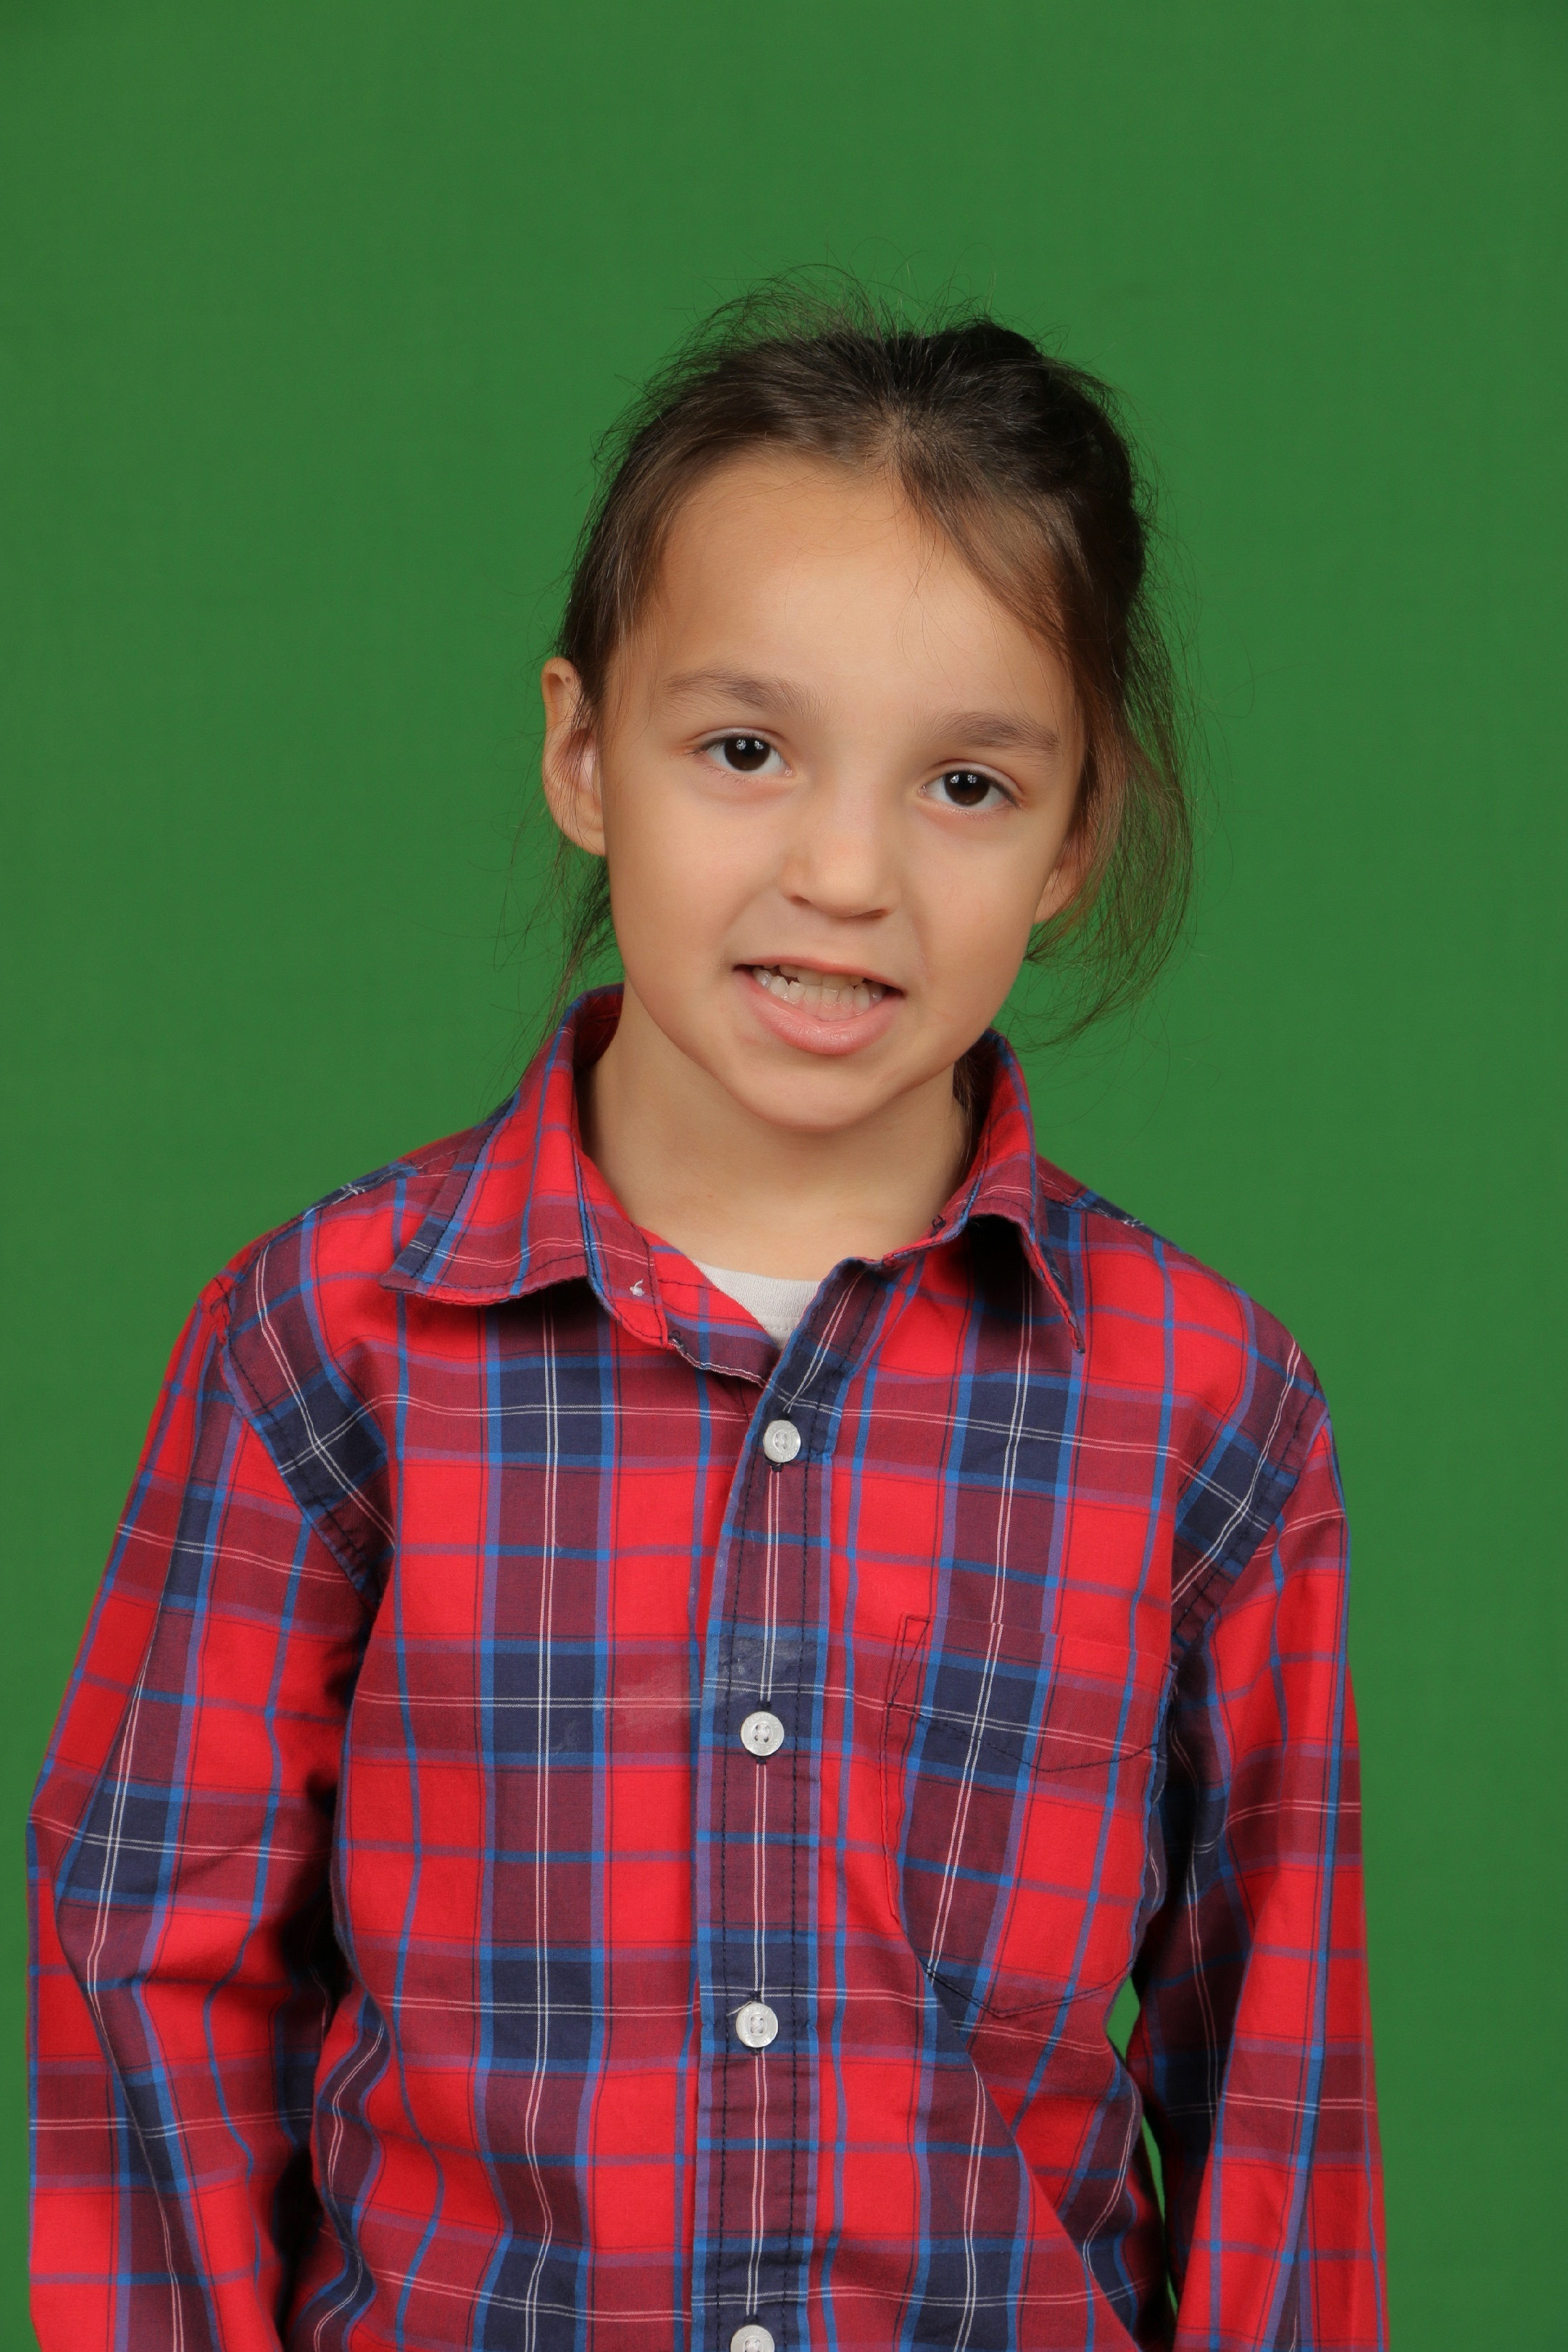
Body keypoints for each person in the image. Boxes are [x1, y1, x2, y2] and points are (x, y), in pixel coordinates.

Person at [28, 288, 1387, 2352]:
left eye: (965, 784)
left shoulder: (1208, 1407)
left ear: (1075, 838)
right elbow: (154, 1968)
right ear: (583, 752)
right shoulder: (328, 1342)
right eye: (744, 750)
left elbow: (1273, 2070)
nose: (843, 870)